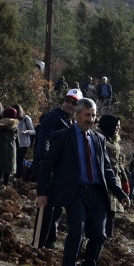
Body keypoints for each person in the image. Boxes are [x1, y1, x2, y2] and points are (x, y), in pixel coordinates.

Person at [34, 98, 126, 266]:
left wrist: (120, 193)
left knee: (99, 235)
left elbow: (107, 169)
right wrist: (42, 192)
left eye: (93, 115)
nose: (90, 119)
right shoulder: (63, 136)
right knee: (77, 231)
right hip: (75, 192)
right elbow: (46, 166)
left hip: (98, 193)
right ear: (77, 115)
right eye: (87, 115)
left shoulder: (99, 139)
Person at [32, 89, 81, 249]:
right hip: (50, 168)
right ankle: (39, 243)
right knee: (46, 204)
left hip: (62, 170)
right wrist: (46, 161)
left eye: (74, 102)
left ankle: (50, 242)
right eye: (68, 100)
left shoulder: (72, 122)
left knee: (57, 206)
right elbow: (44, 139)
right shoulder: (54, 116)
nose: (69, 104)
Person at [0, 107, 20, 186]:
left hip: (0, 148)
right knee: (7, 171)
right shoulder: (15, 125)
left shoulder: (0, 124)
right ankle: (5, 187)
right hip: (11, 149)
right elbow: (18, 140)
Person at [16, 107, 36, 179]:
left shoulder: (26, 119)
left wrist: (26, 131)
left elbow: (33, 131)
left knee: (20, 161)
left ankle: (18, 177)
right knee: (15, 161)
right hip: (15, 143)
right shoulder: (14, 119)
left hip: (24, 143)